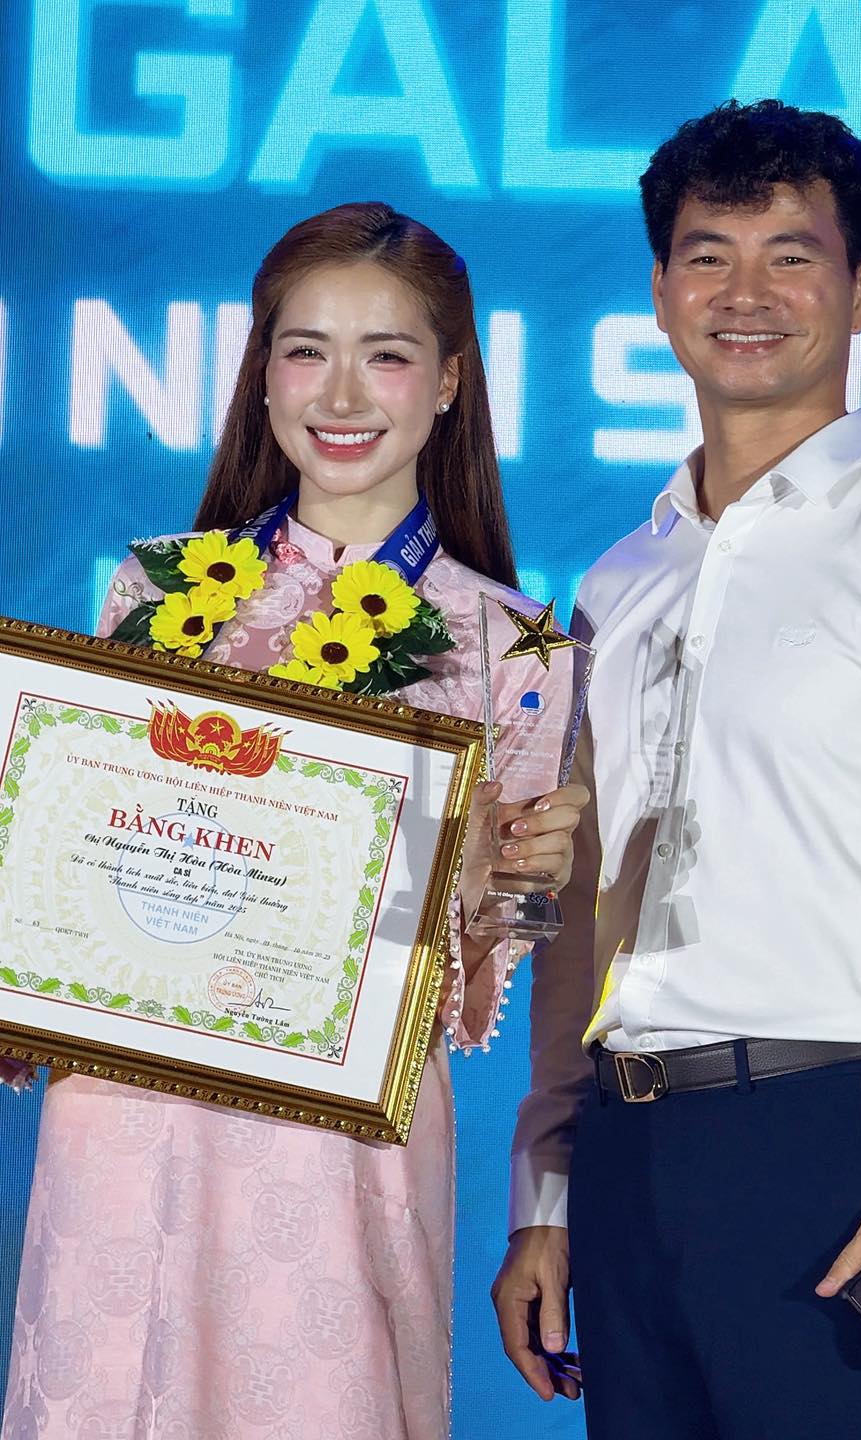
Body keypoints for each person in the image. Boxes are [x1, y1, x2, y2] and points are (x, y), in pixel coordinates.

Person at [0, 202, 587, 1440]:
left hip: (336, 1151)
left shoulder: (519, 644)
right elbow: (79, 859)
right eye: (307, 349)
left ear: (450, 382)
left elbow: (478, 974)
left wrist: (492, 880)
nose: (342, 392)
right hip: (125, 1116)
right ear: (262, 371)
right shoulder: (156, 588)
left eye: (388, 354)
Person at [492, 100, 861, 1438]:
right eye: (709, 256)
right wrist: (550, 1190)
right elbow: (587, 912)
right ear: (659, 292)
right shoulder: (619, 581)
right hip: (632, 1156)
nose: (745, 294)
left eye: (790, 255)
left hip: (848, 1146)